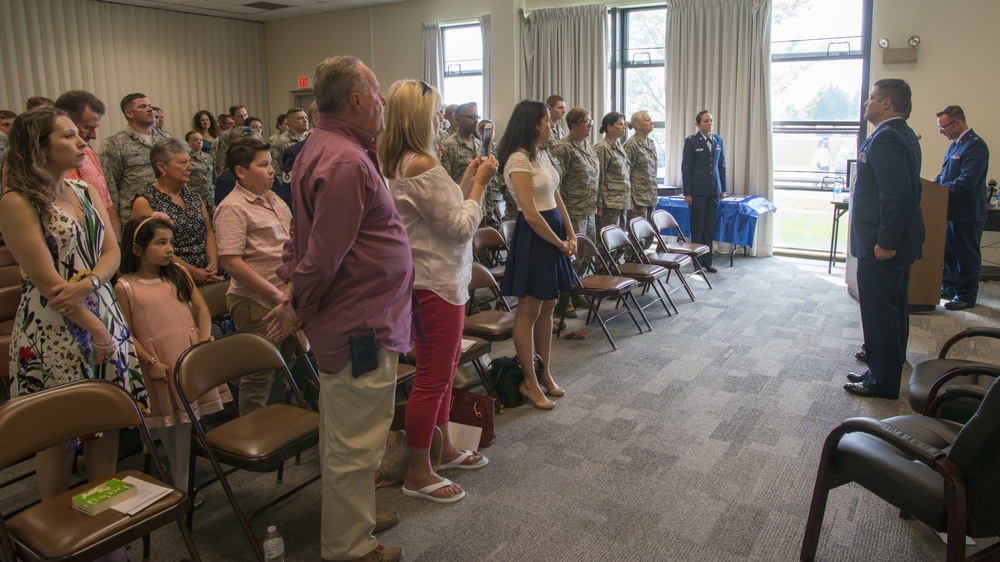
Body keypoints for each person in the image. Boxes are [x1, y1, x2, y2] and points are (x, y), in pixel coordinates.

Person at [265, 55, 408, 562]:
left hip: (362, 317)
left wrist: (292, 294)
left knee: (353, 435)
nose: (383, 101)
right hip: (358, 326)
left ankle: (357, 518)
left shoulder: (325, 148)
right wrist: (297, 305)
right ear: (355, 100)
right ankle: (349, 548)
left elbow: (301, 238)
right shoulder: (345, 159)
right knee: (355, 443)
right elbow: (323, 254)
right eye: (376, 92)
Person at [0, 108, 145, 510]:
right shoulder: (17, 201)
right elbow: (48, 284)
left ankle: (102, 520)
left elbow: (113, 250)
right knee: (59, 434)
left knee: (106, 420)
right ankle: (56, 526)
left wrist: (90, 284)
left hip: (100, 305)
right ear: (39, 147)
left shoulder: (84, 191)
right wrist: (95, 326)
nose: (83, 142)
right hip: (53, 324)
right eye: (68, 136)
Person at [380, 79, 496, 504]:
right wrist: (481, 185)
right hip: (436, 285)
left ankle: (442, 448)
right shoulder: (421, 164)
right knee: (432, 378)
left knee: (444, 371)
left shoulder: (407, 160)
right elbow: (460, 226)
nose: (442, 118)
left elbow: (444, 217)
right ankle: (417, 471)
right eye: (437, 110)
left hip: (439, 278)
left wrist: (465, 182)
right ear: (418, 116)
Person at [115, 214, 231, 492]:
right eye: (161, 243)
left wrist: (202, 341)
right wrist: (150, 361)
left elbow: (202, 310)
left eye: (171, 243)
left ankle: (181, 478)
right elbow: (126, 332)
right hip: (158, 361)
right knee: (171, 424)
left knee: (187, 421)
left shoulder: (178, 274)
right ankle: (179, 485)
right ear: (137, 249)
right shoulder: (125, 286)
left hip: (187, 354)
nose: (170, 249)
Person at [843, 78, 924, 400]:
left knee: (879, 311)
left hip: (884, 244)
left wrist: (886, 241)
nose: (866, 102)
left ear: (887, 103)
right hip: (891, 240)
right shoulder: (900, 134)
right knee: (893, 308)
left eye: (872, 97)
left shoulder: (887, 139)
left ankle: (882, 381)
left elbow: (898, 195)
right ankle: (885, 365)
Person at [497, 99, 576, 410]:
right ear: (533, 123)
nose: (552, 123)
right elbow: (530, 213)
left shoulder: (541, 154)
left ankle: (544, 373)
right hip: (536, 235)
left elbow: (556, 197)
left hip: (553, 229)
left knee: (549, 305)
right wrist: (559, 243)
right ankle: (528, 381)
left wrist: (570, 235)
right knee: (529, 311)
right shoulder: (517, 160)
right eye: (548, 119)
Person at [214, 136, 296, 415]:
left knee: (284, 366)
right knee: (260, 374)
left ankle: (275, 427)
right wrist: (276, 295)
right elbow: (232, 263)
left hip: (285, 296)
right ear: (240, 171)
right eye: (263, 165)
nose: (272, 170)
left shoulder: (273, 198)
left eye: (271, 163)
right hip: (257, 301)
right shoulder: (233, 207)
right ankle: (252, 432)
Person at [131, 138, 222, 285]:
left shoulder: (193, 196)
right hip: (170, 278)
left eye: (189, 162)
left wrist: (212, 263)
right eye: (182, 162)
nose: (190, 167)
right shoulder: (145, 201)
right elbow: (152, 248)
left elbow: (209, 232)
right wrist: (191, 271)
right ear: (162, 167)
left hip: (207, 273)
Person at [934, 105, 989, 311]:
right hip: (950, 210)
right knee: (950, 251)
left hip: (968, 213)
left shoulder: (976, 145)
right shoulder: (955, 145)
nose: (941, 132)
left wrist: (942, 191)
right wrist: (934, 186)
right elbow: (944, 173)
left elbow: (968, 179)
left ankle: (966, 295)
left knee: (967, 254)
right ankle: (949, 285)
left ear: (957, 122)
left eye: (943, 127)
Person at [550, 106, 599, 314]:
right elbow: (556, 184)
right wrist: (559, 214)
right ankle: (563, 300)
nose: (590, 125)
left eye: (591, 122)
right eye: (586, 121)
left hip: (589, 208)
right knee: (572, 256)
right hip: (572, 210)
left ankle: (574, 290)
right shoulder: (563, 148)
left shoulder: (589, 147)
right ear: (573, 125)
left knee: (588, 253)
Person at [56, 90, 120, 239]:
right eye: (87, 128)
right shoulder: (36, 162)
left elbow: (107, 205)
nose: (93, 136)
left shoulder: (89, 154)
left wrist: (117, 244)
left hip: (105, 247)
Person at [99, 93, 167, 227]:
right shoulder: (115, 144)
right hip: (135, 218)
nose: (150, 109)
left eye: (149, 106)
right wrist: (115, 226)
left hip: (167, 213)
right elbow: (110, 188)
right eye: (143, 106)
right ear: (129, 113)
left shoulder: (165, 141)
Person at [681, 110, 727, 273]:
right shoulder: (692, 141)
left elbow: (721, 166)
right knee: (698, 227)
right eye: (706, 121)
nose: (709, 123)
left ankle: (707, 261)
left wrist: (723, 188)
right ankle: (696, 262)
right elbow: (686, 168)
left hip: (714, 190)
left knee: (709, 226)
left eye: (711, 121)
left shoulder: (718, 140)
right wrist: (687, 192)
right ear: (698, 124)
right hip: (697, 191)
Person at [595, 111, 632, 233]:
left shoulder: (619, 146)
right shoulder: (602, 147)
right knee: (607, 241)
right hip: (609, 204)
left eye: (624, 124)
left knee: (621, 241)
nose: (624, 127)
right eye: (620, 124)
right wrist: (599, 206)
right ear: (610, 127)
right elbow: (599, 178)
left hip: (621, 202)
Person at [625, 110, 659, 221]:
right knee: (639, 236)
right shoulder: (631, 145)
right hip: (638, 200)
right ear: (638, 125)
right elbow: (626, 174)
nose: (651, 122)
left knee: (651, 234)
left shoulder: (650, 143)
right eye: (647, 120)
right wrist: (629, 201)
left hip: (651, 198)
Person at [440, 103, 482, 185]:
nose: (476, 121)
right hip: (461, 196)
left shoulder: (480, 144)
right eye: (471, 117)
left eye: (477, 117)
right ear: (458, 119)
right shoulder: (449, 145)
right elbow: (446, 181)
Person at [271, 107, 309, 186]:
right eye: (300, 118)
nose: (305, 121)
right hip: (290, 185)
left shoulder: (311, 138)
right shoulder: (280, 142)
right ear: (290, 123)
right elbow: (276, 171)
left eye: (306, 118)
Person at [185, 130, 215, 214]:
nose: (199, 142)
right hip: (194, 197)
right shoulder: (186, 158)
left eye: (201, 140)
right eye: (195, 140)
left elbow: (213, 177)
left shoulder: (208, 157)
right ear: (187, 142)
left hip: (210, 198)